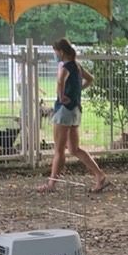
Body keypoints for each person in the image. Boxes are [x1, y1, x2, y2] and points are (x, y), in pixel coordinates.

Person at [39, 38, 108, 193]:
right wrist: (77, 92)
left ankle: (52, 183)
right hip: (75, 110)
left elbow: (59, 82)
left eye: (55, 52)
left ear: (61, 52)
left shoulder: (65, 67)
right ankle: (99, 174)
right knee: (74, 149)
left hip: (64, 111)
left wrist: (62, 96)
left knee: (59, 150)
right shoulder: (77, 66)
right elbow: (90, 79)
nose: (55, 55)